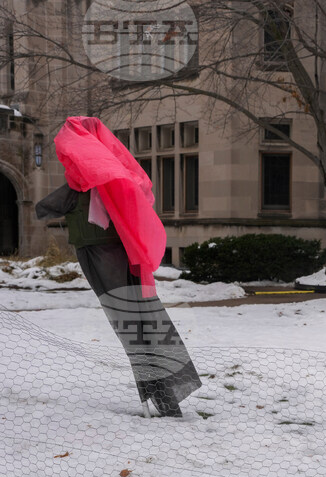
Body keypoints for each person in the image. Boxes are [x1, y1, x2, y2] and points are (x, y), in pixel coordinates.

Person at [34, 117, 201, 416]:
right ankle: (166, 396)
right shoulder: (117, 179)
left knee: (131, 325)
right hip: (126, 256)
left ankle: (161, 395)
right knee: (145, 319)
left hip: (100, 255)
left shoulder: (81, 186)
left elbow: (43, 208)